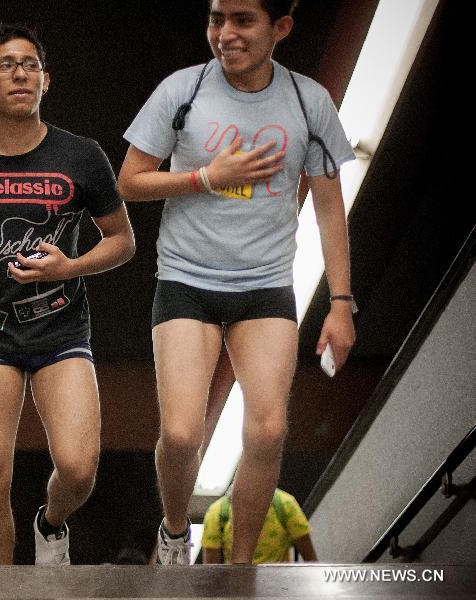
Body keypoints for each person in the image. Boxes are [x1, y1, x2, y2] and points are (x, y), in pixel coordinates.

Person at [118, 0, 356, 565]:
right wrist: (207, 176)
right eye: (214, 19)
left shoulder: (308, 101)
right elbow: (129, 181)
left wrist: (341, 302)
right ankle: (176, 533)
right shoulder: (183, 90)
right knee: (180, 435)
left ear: (281, 28)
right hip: (186, 279)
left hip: (266, 285)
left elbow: (328, 208)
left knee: (269, 431)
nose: (224, 34)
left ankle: (242, 568)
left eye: (242, 21)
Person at [0, 23, 135, 565]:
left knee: (80, 467)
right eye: (5, 65)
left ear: (46, 80)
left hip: (61, 327)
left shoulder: (82, 155)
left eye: (30, 64)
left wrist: (73, 265)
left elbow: (123, 241)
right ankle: (2, 587)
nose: (19, 73)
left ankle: (51, 522)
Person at [202, 486, 317, 563]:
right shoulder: (285, 503)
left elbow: (211, 571)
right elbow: (311, 560)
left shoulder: (285, 504)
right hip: (278, 586)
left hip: (240, 586)